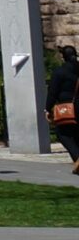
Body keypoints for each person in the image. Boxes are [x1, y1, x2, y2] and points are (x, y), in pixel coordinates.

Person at [48, 44, 79, 173]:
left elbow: (53, 92)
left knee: (63, 133)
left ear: (63, 57)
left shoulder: (60, 72)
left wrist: (47, 108)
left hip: (68, 107)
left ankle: (77, 158)